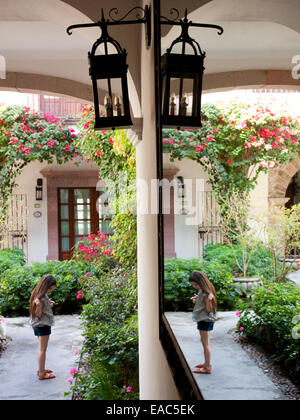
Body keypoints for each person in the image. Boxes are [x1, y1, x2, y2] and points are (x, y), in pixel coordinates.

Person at [189, 271, 217, 374]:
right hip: (205, 320)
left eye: (196, 284)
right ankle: (206, 363)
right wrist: (197, 299)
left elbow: (209, 310)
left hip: (204, 320)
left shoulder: (206, 293)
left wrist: (208, 301)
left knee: (206, 344)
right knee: (205, 342)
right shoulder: (204, 290)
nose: (195, 287)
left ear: (201, 282)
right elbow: (203, 302)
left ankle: (207, 367)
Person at [29, 275, 57, 380]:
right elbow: (38, 314)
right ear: (46, 286)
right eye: (50, 288)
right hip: (42, 325)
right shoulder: (39, 298)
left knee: (42, 349)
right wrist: (39, 306)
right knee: (42, 350)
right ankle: (41, 373)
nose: (51, 290)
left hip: (38, 325)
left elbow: (44, 305)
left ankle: (42, 369)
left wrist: (49, 303)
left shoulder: (39, 293)